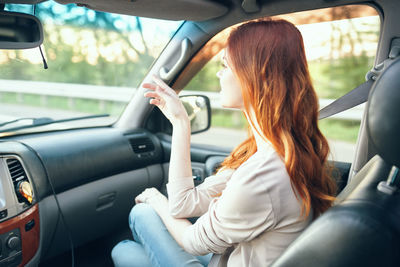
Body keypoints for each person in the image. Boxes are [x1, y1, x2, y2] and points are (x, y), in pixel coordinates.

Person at [111, 18, 337, 267]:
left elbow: (192, 241)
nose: (219, 74)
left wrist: (155, 198)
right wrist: (180, 122)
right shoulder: (280, 150)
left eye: (225, 65)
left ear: (255, 75)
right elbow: (183, 204)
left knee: (125, 248)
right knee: (136, 228)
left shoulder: (264, 175)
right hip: (228, 257)